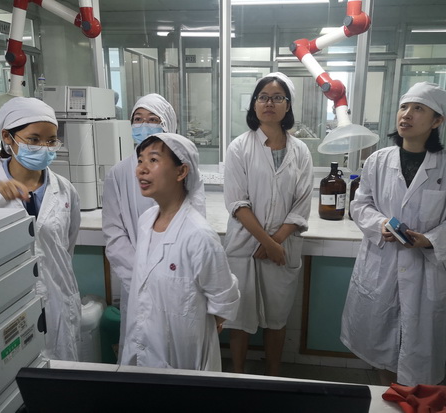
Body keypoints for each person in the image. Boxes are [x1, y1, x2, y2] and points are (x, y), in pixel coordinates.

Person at [340, 82, 446, 386]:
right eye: (404, 107)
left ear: (437, 121)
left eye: (418, 109)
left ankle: (411, 399)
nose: (407, 114)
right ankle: (387, 392)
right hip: (382, 264)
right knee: (380, 343)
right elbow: (361, 204)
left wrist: (430, 239)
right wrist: (380, 224)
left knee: (417, 349)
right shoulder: (378, 161)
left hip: (424, 270)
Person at [0, 97, 81, 361]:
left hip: (59, 301)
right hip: (5, 305)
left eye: (51, 141)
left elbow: (67, 246)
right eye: (34, 139)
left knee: (62, 375)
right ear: (7, 137)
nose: (44, 148)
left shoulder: (65, 189)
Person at [119, 133, 240, 371]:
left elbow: (224, 300)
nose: (141, 169)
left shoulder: (198, 235)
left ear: (181, 171)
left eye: (153, 160)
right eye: (140, 160)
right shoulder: (146, 221)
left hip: (183, 356)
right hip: (142, 346)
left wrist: (192, 326)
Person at [222, 72, 313, 376]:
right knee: (239, 317)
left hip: (282, 248)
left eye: (277, 98)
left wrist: (276, 243)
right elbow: (237, 203)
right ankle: (237, 374)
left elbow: (301, 204)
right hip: (246, 246)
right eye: (262, 97)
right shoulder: (239, 147)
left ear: (288, 105)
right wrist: (269, 243)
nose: (269, 103)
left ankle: (274, 375)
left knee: (277, 317)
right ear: (254, 104)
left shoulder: (301, 151)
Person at [102, 93, 205, 360]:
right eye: (137, 119)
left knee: (176, 353)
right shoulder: (118, 173)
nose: (143, 125)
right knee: (140, 350)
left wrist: (165, 275)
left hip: (176, 279)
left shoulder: (184, 169)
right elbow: (114, 234)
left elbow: (194, 225)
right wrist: (141, 276)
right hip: (135, 279)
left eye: (152, 120)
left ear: (167, 125)